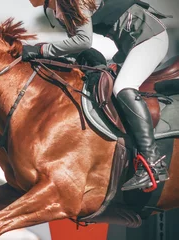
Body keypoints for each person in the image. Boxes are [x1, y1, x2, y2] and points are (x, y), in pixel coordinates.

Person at [23, 0, 170, 191]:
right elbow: (80, 48)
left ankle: (153, 161)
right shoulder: (59, 10)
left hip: (150, 38)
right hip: (129, 46)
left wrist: (42, 49)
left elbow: (83, 41)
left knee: (123, 88)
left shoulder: (71, 2)